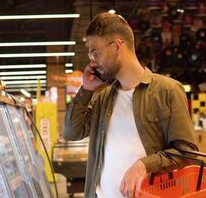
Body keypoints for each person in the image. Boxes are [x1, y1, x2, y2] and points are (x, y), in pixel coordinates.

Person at [63, 12, 198, 198]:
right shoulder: (104, 97)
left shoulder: (167, 90)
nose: (92, 61)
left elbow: (187, 153)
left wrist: (144, 164)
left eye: (95, 52)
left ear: (117, 45)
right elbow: (71, 132)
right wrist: (86, 89)